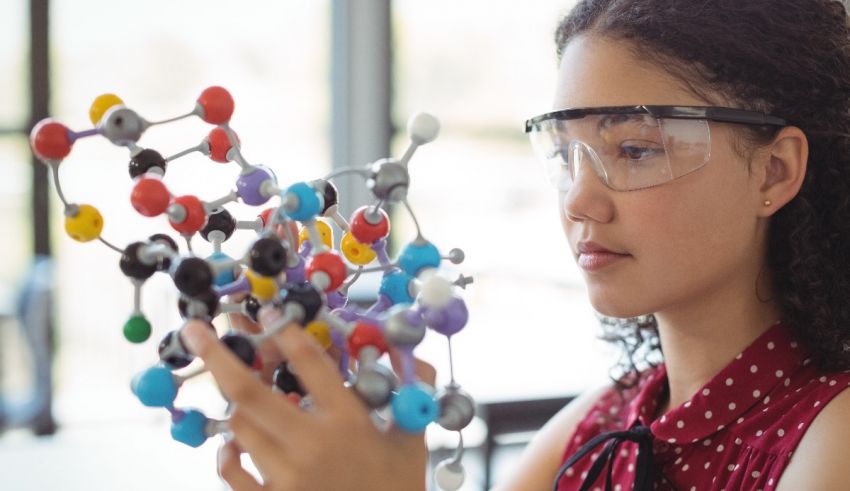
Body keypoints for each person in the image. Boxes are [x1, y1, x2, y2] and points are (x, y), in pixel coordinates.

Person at [180, 0, 850, 489]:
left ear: (776, 169)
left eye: (637, 148)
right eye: (565, 155)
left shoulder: (832, 438)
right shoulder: (605, 421)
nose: (580, 200)